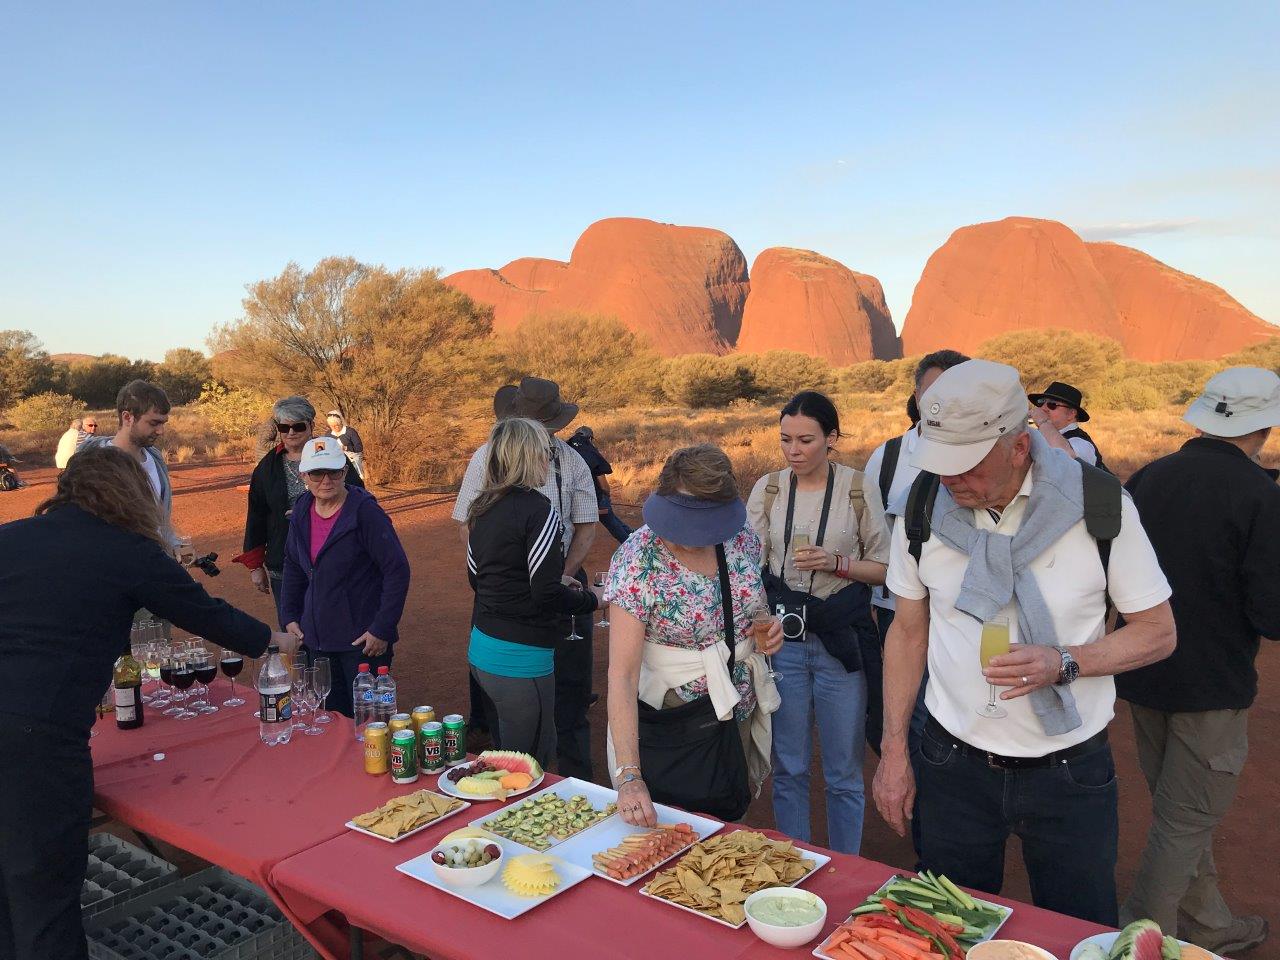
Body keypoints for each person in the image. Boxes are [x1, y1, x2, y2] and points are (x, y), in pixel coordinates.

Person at [873, 358, 1176, 925]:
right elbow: (908, 631)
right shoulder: (921, 508)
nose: (949, 480)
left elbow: (1158, 633)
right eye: (940, 464)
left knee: (1077, 927)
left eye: (966, 465)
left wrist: (1067, 661)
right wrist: (894, 752)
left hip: (1069, 771)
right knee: (947, 928)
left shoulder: (1100, 506)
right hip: (952, 758)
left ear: (1018, 446)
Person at [0, 445, 297, 960]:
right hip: (36, 741)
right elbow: (204, 614)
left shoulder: (12, 537)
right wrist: (274, 640)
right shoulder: (125, 551)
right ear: (129, 495)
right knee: (43, 893)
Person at [1116, 367, 1280, 954]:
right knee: (1185, 819)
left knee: (1180, 813)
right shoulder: (1261, 495)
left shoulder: (1149, 477)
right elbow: (1272, 615)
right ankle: (1133, 938)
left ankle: (1210, 926)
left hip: (1144, 672)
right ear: (1263, 424)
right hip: (1212, 687)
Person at [605, 444, 783, 826]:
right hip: (675, 721)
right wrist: (629, 776)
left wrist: (765, 631)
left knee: (728, 821)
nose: (692, 536)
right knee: (671, 833)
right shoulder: (638, 560)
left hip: (737, 710)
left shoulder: (741, 539)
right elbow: (621, 675)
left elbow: (753, 606)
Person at [747, 391, 887, 854]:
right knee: (788, 766)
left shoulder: (857, 487)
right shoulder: (768, 489)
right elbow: (749, 568)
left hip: (839, 644)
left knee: (844, 772)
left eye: (806, 440)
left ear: (831, 438)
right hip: (783, 644)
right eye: (786, 440)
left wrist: (836, 562)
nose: (794, 451)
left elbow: (886, 569)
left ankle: (845, 864)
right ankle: (794, 863)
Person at [454, 376, 599, 778]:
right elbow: (466, 526)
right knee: (524, 732)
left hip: (545, 582)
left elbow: (585, 526)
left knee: (569, 692)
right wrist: (547, 585)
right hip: (518, 596)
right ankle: (518, 777)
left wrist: (558, 576)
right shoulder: (493, 466)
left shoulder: (572, 461)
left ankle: (576, 777)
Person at [862, 349, 969, 755]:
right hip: (898, 607)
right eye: (932, 391)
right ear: (916, 394)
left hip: (964, 609)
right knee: (905, 711)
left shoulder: (987, 454)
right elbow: (869, 536)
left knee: (952, 710)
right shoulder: (888, 457)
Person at [280, 437, 409, 718]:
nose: (326, 480)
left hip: (362, 643)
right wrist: (288, 615)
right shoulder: (302, 510)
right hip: (317, 641)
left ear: (345, 471)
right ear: (303, 474)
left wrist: (381, 628)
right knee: (328, 719)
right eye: (317, 472)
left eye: (334, 471)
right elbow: (292, 564)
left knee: (371, 722)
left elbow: (397, 569)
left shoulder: (365, 513)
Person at [235, 397, 365, 627]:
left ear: (311, 426)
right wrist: (256, 566)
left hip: (332, 557)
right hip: (284, 559)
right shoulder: (267, 467)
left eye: (298, 426)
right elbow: (256, 515)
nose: (291, 432)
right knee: (294, 626)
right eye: (284, 427)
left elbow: (358, 499)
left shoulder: (333, 457)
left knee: (335, 622)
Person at [78, 380, 176, 542]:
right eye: (154, 423)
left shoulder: (155, 458)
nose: (161, 431)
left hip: (152, 557)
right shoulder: (93, 463)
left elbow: (160, 519)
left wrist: (172, 545)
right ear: (127, 417)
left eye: (163, 423)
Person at [567, 425, 633, 544]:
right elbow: (602, 483)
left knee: (611, 519)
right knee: (611, 522)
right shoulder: (591, 451)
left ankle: (632, 535)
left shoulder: (566, 448)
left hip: (571, 497)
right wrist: (607, 494)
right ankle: (631, 543)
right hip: (594, 496)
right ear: (590, 438)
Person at [1028, 380, 1109, 471]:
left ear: (1071, 414)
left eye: (1052, 404)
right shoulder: (1042, 434)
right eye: (1041, 402)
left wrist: (1043, 421)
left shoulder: (1083, 444)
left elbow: (1065, 457)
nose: (1043, 408)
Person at [325, 410, 365, 479]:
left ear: (340, 423)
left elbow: (359, 448)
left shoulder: (350, 432)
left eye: (336, 425)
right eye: (332, 426)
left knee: (354, 480)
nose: (334, 428)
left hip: (352, 460)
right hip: (336, 461)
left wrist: (346, 448)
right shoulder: (328, 434)